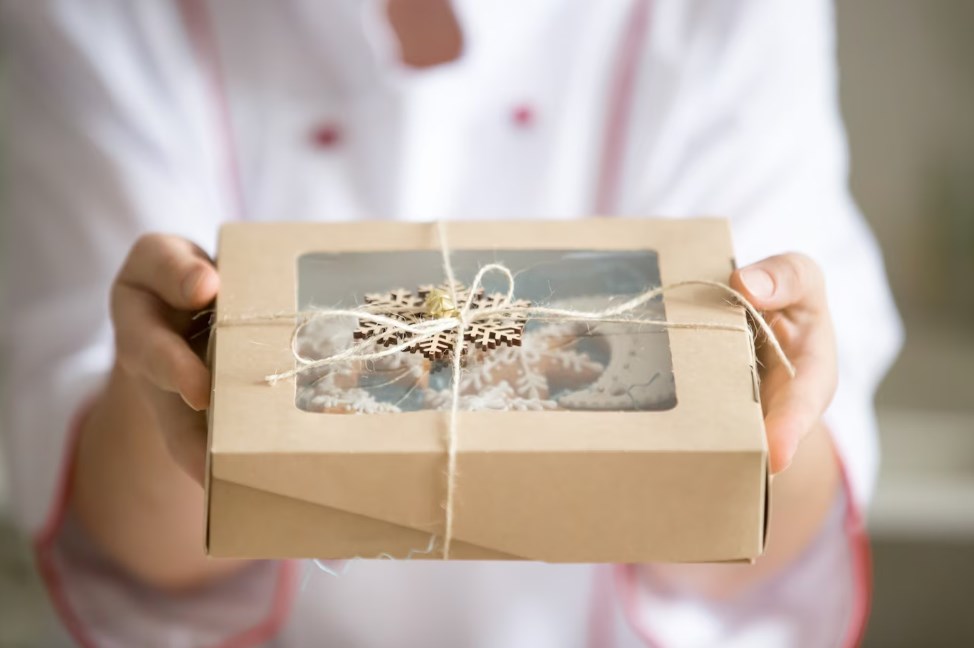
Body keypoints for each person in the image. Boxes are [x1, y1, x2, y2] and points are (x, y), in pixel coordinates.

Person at [1, 1, 902, 646]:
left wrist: (776, 403)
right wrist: (165, 376)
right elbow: (140, 543)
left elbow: (756, 525)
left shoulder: (732, 15)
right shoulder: (96, 17)